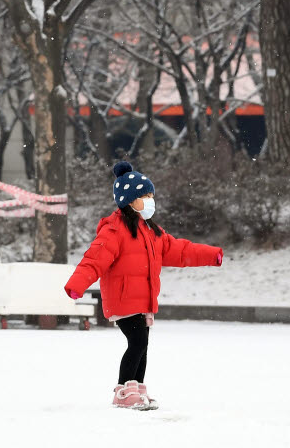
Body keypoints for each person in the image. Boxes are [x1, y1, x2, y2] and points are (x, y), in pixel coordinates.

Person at [65, 161, 223, 410]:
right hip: (124, 299)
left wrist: (211, 255)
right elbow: (94, 259)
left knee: (142, 344)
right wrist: (77, 284)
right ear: (129, 200)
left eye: (151, 195)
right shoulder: (114, 230)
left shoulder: (151, 231)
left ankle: (136, 389)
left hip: (143, 300)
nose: (151, 200)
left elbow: (180, 250)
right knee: (137, 342)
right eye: (145, 196)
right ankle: (123, 391)